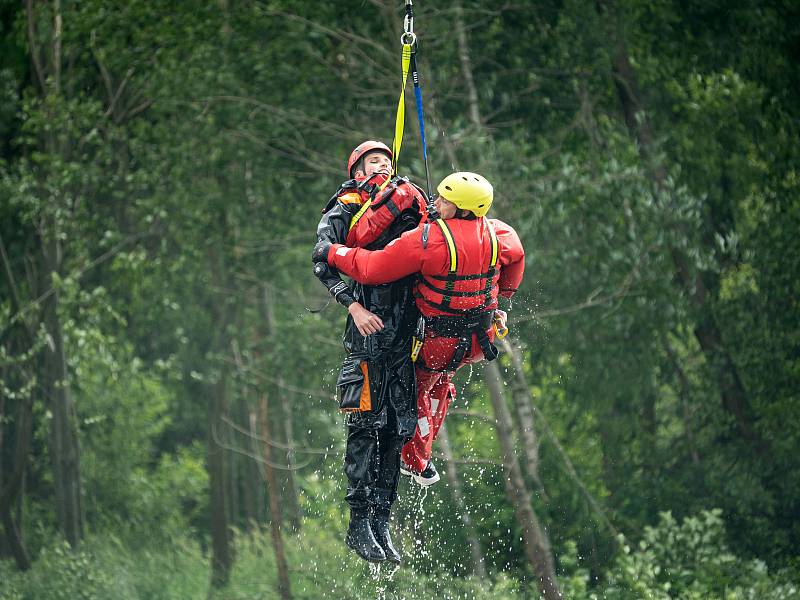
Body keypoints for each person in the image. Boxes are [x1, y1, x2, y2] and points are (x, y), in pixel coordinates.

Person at [313, 172, 525, 490]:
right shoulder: (499, 233)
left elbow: (371, 269)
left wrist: (332, 252)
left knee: (417, 387)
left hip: (438, 343)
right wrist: (501, 295)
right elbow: (516, 258)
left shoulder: (429, 240)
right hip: (480, 340)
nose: (436, 202)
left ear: (463, 209)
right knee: (441, 380)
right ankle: (422, 454)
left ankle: (416, 460)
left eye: (444, 200)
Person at [313, 140, 428, 563]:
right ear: (356, 169)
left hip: (405, 330)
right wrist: (354, 305)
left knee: (398, 428)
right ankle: (358, 522)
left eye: (385, 159)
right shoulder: (344, 206)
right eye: (372, 160)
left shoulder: (410, 200)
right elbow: (321, 259)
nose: (381, 164)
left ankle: (382, 520)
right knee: (365, 426)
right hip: (366, 329)